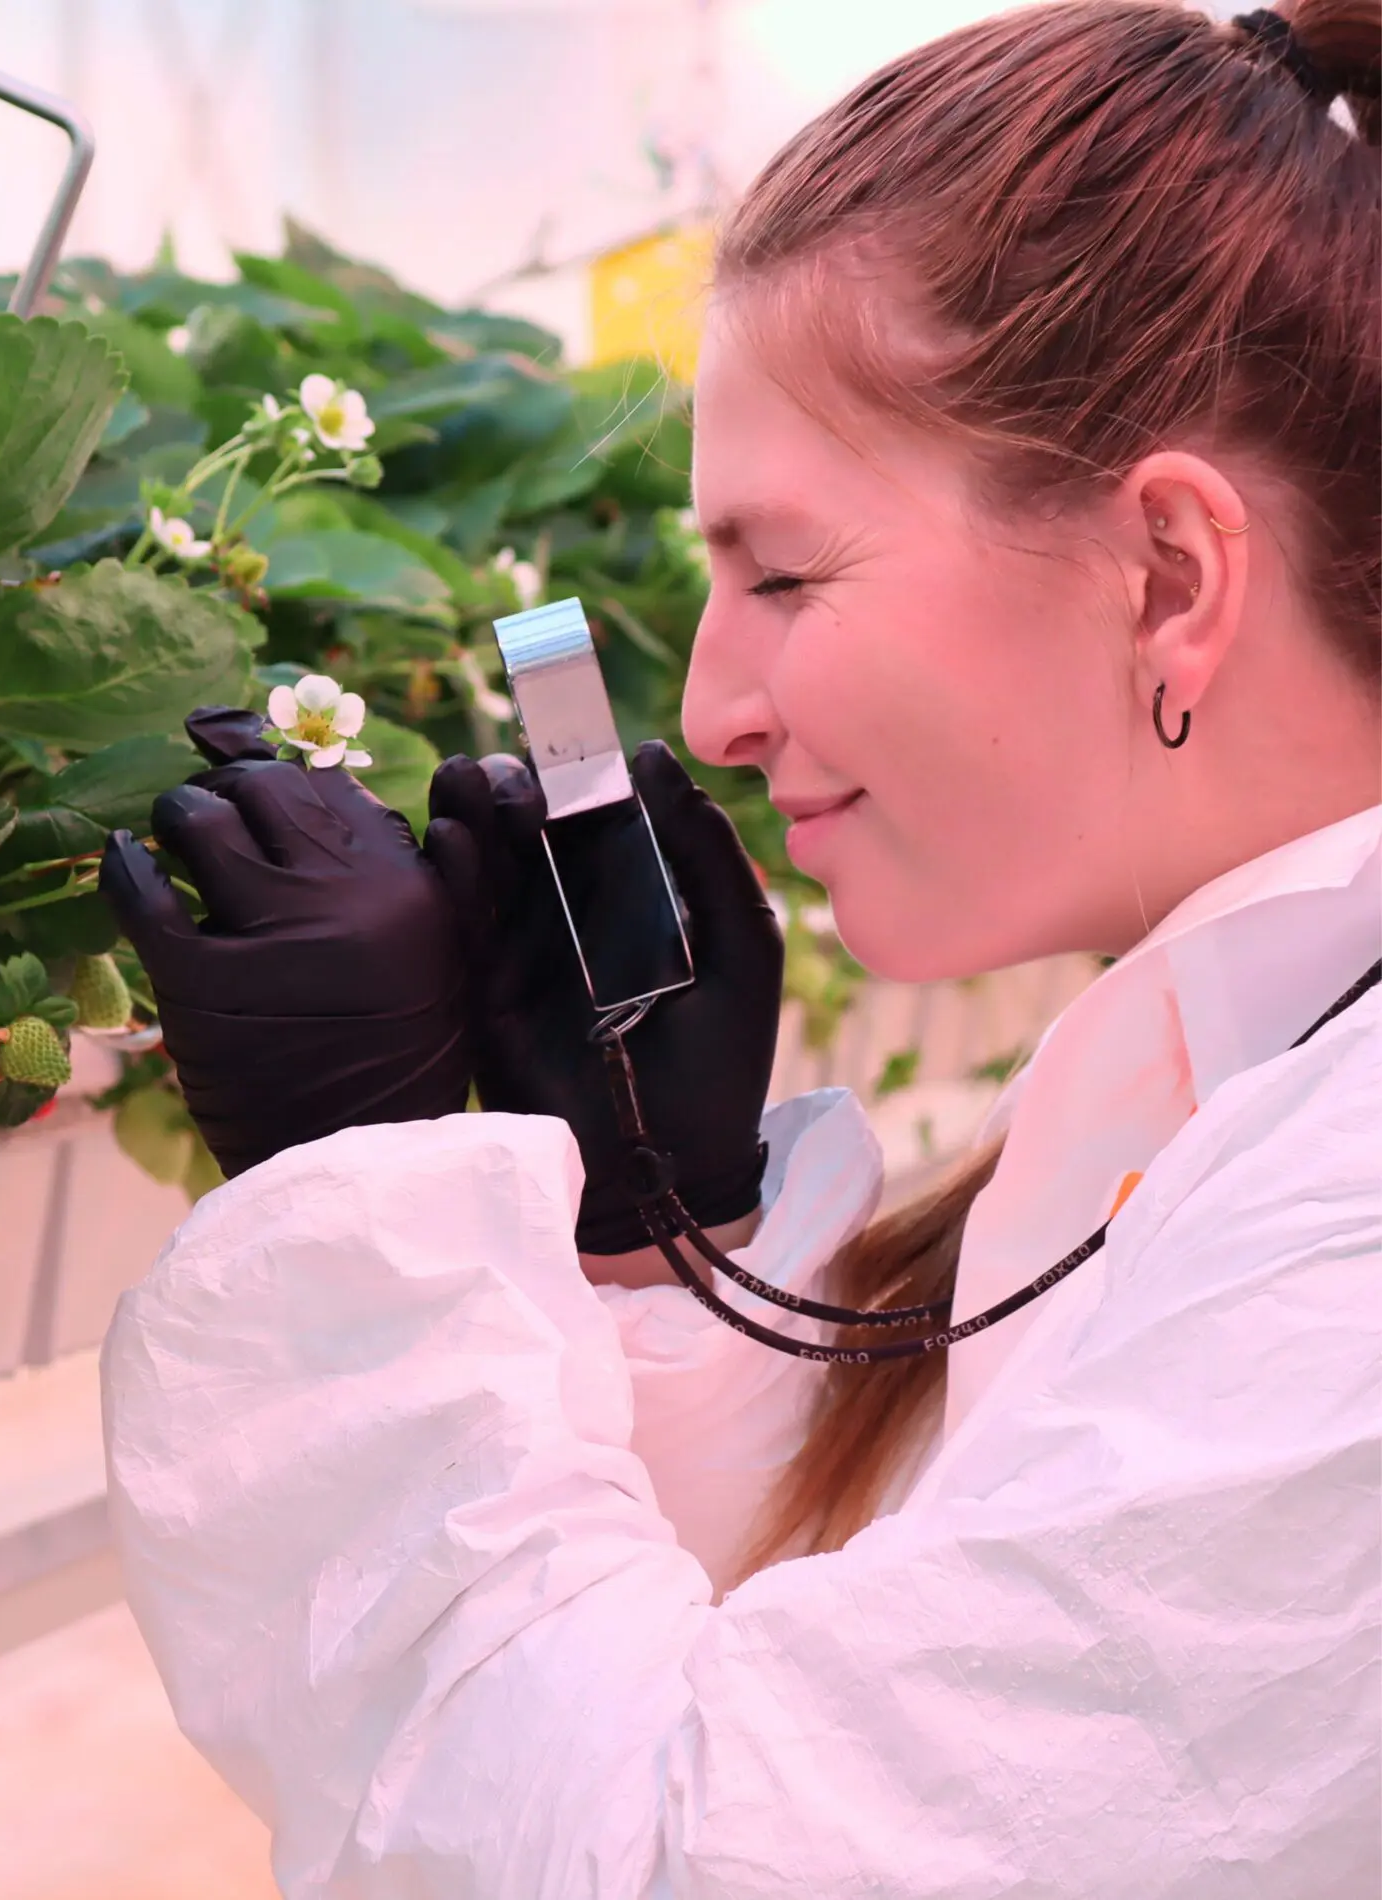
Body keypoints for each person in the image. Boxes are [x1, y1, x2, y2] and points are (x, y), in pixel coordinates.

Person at [94, 3, 1382, 1893]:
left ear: (1171, 576)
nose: (710, 710)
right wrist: (658, 1227)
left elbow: (687, 1860)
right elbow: (918, 1666)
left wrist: (360, 1231)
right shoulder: (1256, 1061)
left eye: (785, 576)